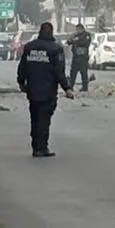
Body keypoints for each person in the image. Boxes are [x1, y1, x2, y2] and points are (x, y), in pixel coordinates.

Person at [16, 22, 74, 157]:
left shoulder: (29, 47)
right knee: (44, 120)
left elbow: (22, 66)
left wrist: (21, 82)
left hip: (32, 89)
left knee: (35, 118)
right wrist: (67, 88)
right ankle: (41, 148)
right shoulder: (55, 49)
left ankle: (35, 146)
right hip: (48, 90)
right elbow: (59, 71)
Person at [66, 23, 92, 92]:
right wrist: (72, 38)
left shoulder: (87, 35)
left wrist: (76, 41)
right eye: (76, 29)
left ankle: (85, 87)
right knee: (73, 73)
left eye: (78, 29)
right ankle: (71, 86)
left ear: (82, 29)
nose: (77, 31)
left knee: (84, 73)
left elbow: (85, 43)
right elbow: (68, 42)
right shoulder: (75, 35)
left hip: (83, 58)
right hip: (75, 57)